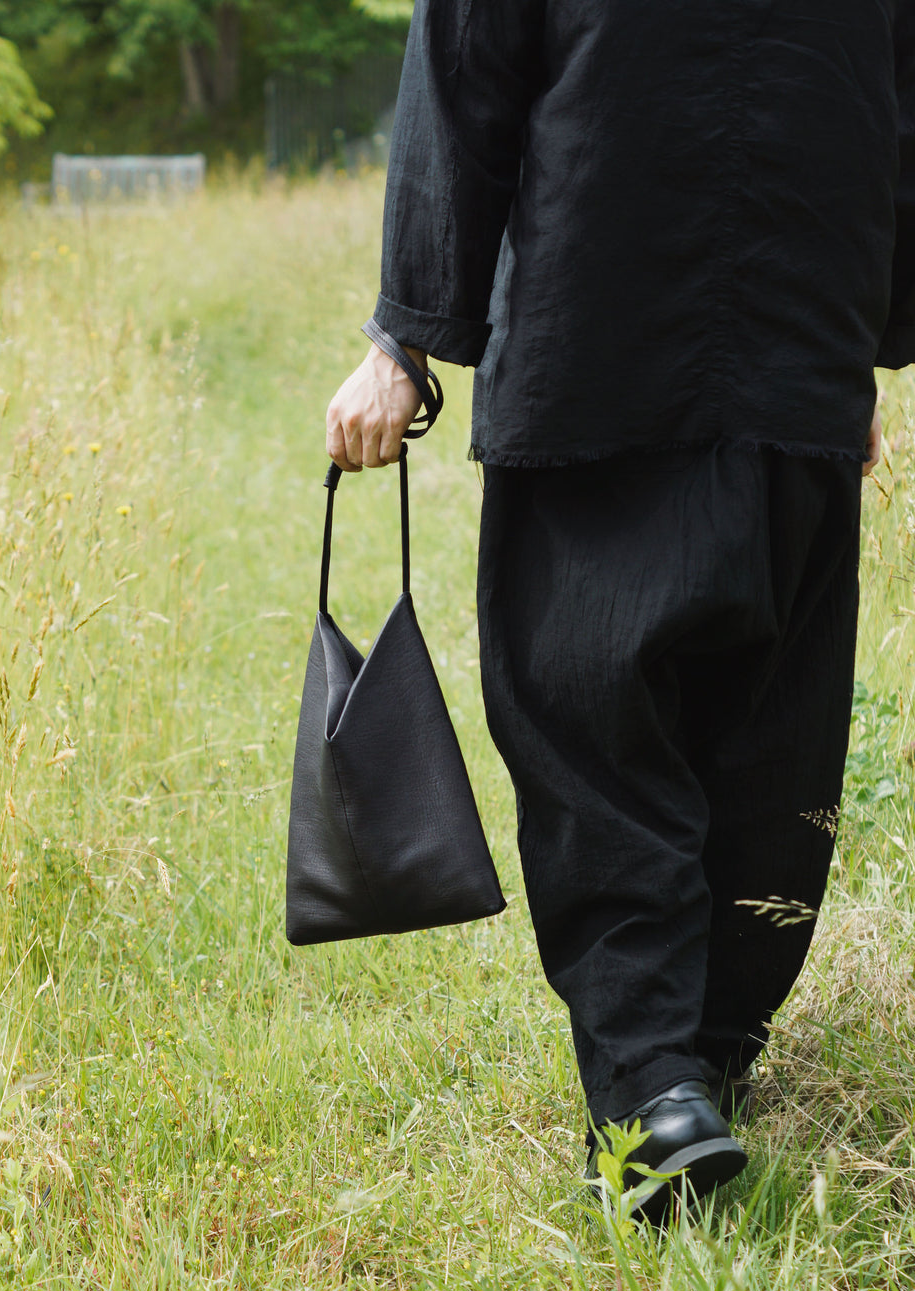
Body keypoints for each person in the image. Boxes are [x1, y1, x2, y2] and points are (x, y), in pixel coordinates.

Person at [325, 0, 915, 1224]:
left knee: (603, 717)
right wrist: (866, 340)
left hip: (610, 346)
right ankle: (695, 1062)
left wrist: (406, 341)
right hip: (783, 353)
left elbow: (462, 83)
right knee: (766, 726)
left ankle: (660, 1084)